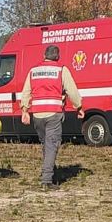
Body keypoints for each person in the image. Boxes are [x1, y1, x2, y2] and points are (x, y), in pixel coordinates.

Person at [19, 45, 83, 190]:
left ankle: (50, 171)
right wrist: (79, 107)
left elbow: (26, 92)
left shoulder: (33, 71)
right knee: (51, 145)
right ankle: (47, 180)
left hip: (37, 115)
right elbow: (72, 91)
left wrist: (24, 111)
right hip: (53, 113)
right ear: (58, 56)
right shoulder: (61, 70)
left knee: (46, 144)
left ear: (44, 55)